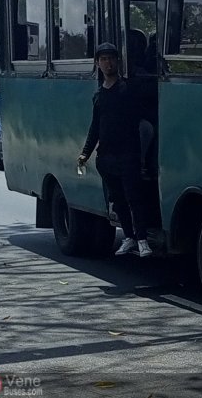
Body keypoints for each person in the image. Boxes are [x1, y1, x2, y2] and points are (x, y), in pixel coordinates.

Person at [77, 42, 152, 257]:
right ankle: (128, 237)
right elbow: (95, 128)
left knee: (133, 197)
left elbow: (141, 120)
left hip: (128, 153)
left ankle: (143, 240)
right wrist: (85, 153)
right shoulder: (99, 96)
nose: (107, 63)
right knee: (118, 200)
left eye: (111, 58)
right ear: (98, 64)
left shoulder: (128, 89)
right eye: (103, 59)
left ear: (117, 62)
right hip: (106, 156)